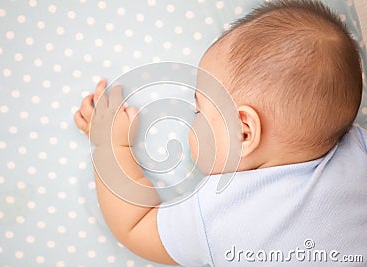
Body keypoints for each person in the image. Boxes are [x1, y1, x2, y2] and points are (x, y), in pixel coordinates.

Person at [74, 0, 367, 266]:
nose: (192, 120)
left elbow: (135, 226)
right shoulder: (359, 152)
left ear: (242, 131)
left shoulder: (219, 212)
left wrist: (110, 144)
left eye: (199, 110)